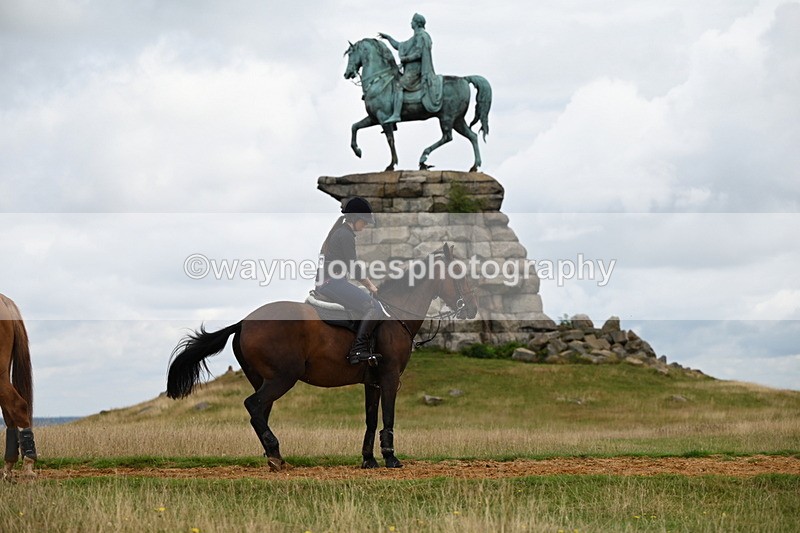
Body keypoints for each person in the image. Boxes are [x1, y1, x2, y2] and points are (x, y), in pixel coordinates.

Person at [315, 197, 383, 365]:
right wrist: (371, 286)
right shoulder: (345, 235)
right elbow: (353, 267)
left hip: (329, 282)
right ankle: (357, 350)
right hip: (333, 283)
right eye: (364, 221)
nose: (365, 225)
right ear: (354, 218)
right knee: (374, 307)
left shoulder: (339, 232)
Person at [379, 13, 443, 124]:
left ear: (417, 23)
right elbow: (399, 45)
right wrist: (388, 38)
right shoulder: (415, 37)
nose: (411, 23)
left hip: (416, 71)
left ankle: (396, 114)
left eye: (412, 21)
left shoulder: (421, 36)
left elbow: (418, 54)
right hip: (410, 71)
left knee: (398, 86)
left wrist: (405, 59)